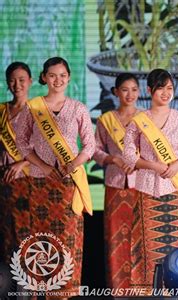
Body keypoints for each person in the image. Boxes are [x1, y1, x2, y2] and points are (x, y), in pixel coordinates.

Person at [15, 57, 95, 296]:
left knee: (69, 241)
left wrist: (73, 164)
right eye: (52, 75)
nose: (57, 80)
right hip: (40, 182)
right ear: (44, 78)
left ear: (69, 77)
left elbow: (89, 146)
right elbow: (22, 143)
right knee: (41, 240)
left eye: (62, 75)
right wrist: (45, 166)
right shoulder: (34, 107)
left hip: (71, 183)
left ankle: (66, 293)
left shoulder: (78, 108)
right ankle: (42, 292)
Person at [122, 69, 178, 289]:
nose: (165, 93)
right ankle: (149, 290)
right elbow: (128, 154)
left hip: (175, 190)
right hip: (147, 189)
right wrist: (151, 165)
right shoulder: (139, 121)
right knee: (147, 246)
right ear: (149, 90)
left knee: (176, 247)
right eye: (160, 88)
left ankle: (176, 289)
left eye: (169, 88)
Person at [93, 73, 141, 289]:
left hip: (142, 186)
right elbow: (95, 150)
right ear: (115, 92)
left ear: (139, 92)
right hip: (115, 184)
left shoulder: (146, 119)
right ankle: (118, 288)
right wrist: (112, 159)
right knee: (115, 238)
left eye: (133, 89)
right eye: (124, 89)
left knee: (140, 236)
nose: (129, 94)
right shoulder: (106, 120)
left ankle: (142, 284)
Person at [0, 62, 32, 263]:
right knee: (5, 235)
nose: (17, 84)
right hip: (2, 180)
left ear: (29, 81)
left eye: (22, 80)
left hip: (27, 181)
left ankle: (26, 291)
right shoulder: (1, 110)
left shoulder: (38, 111)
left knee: (24, 235)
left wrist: (21, 164)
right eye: (12, 80)